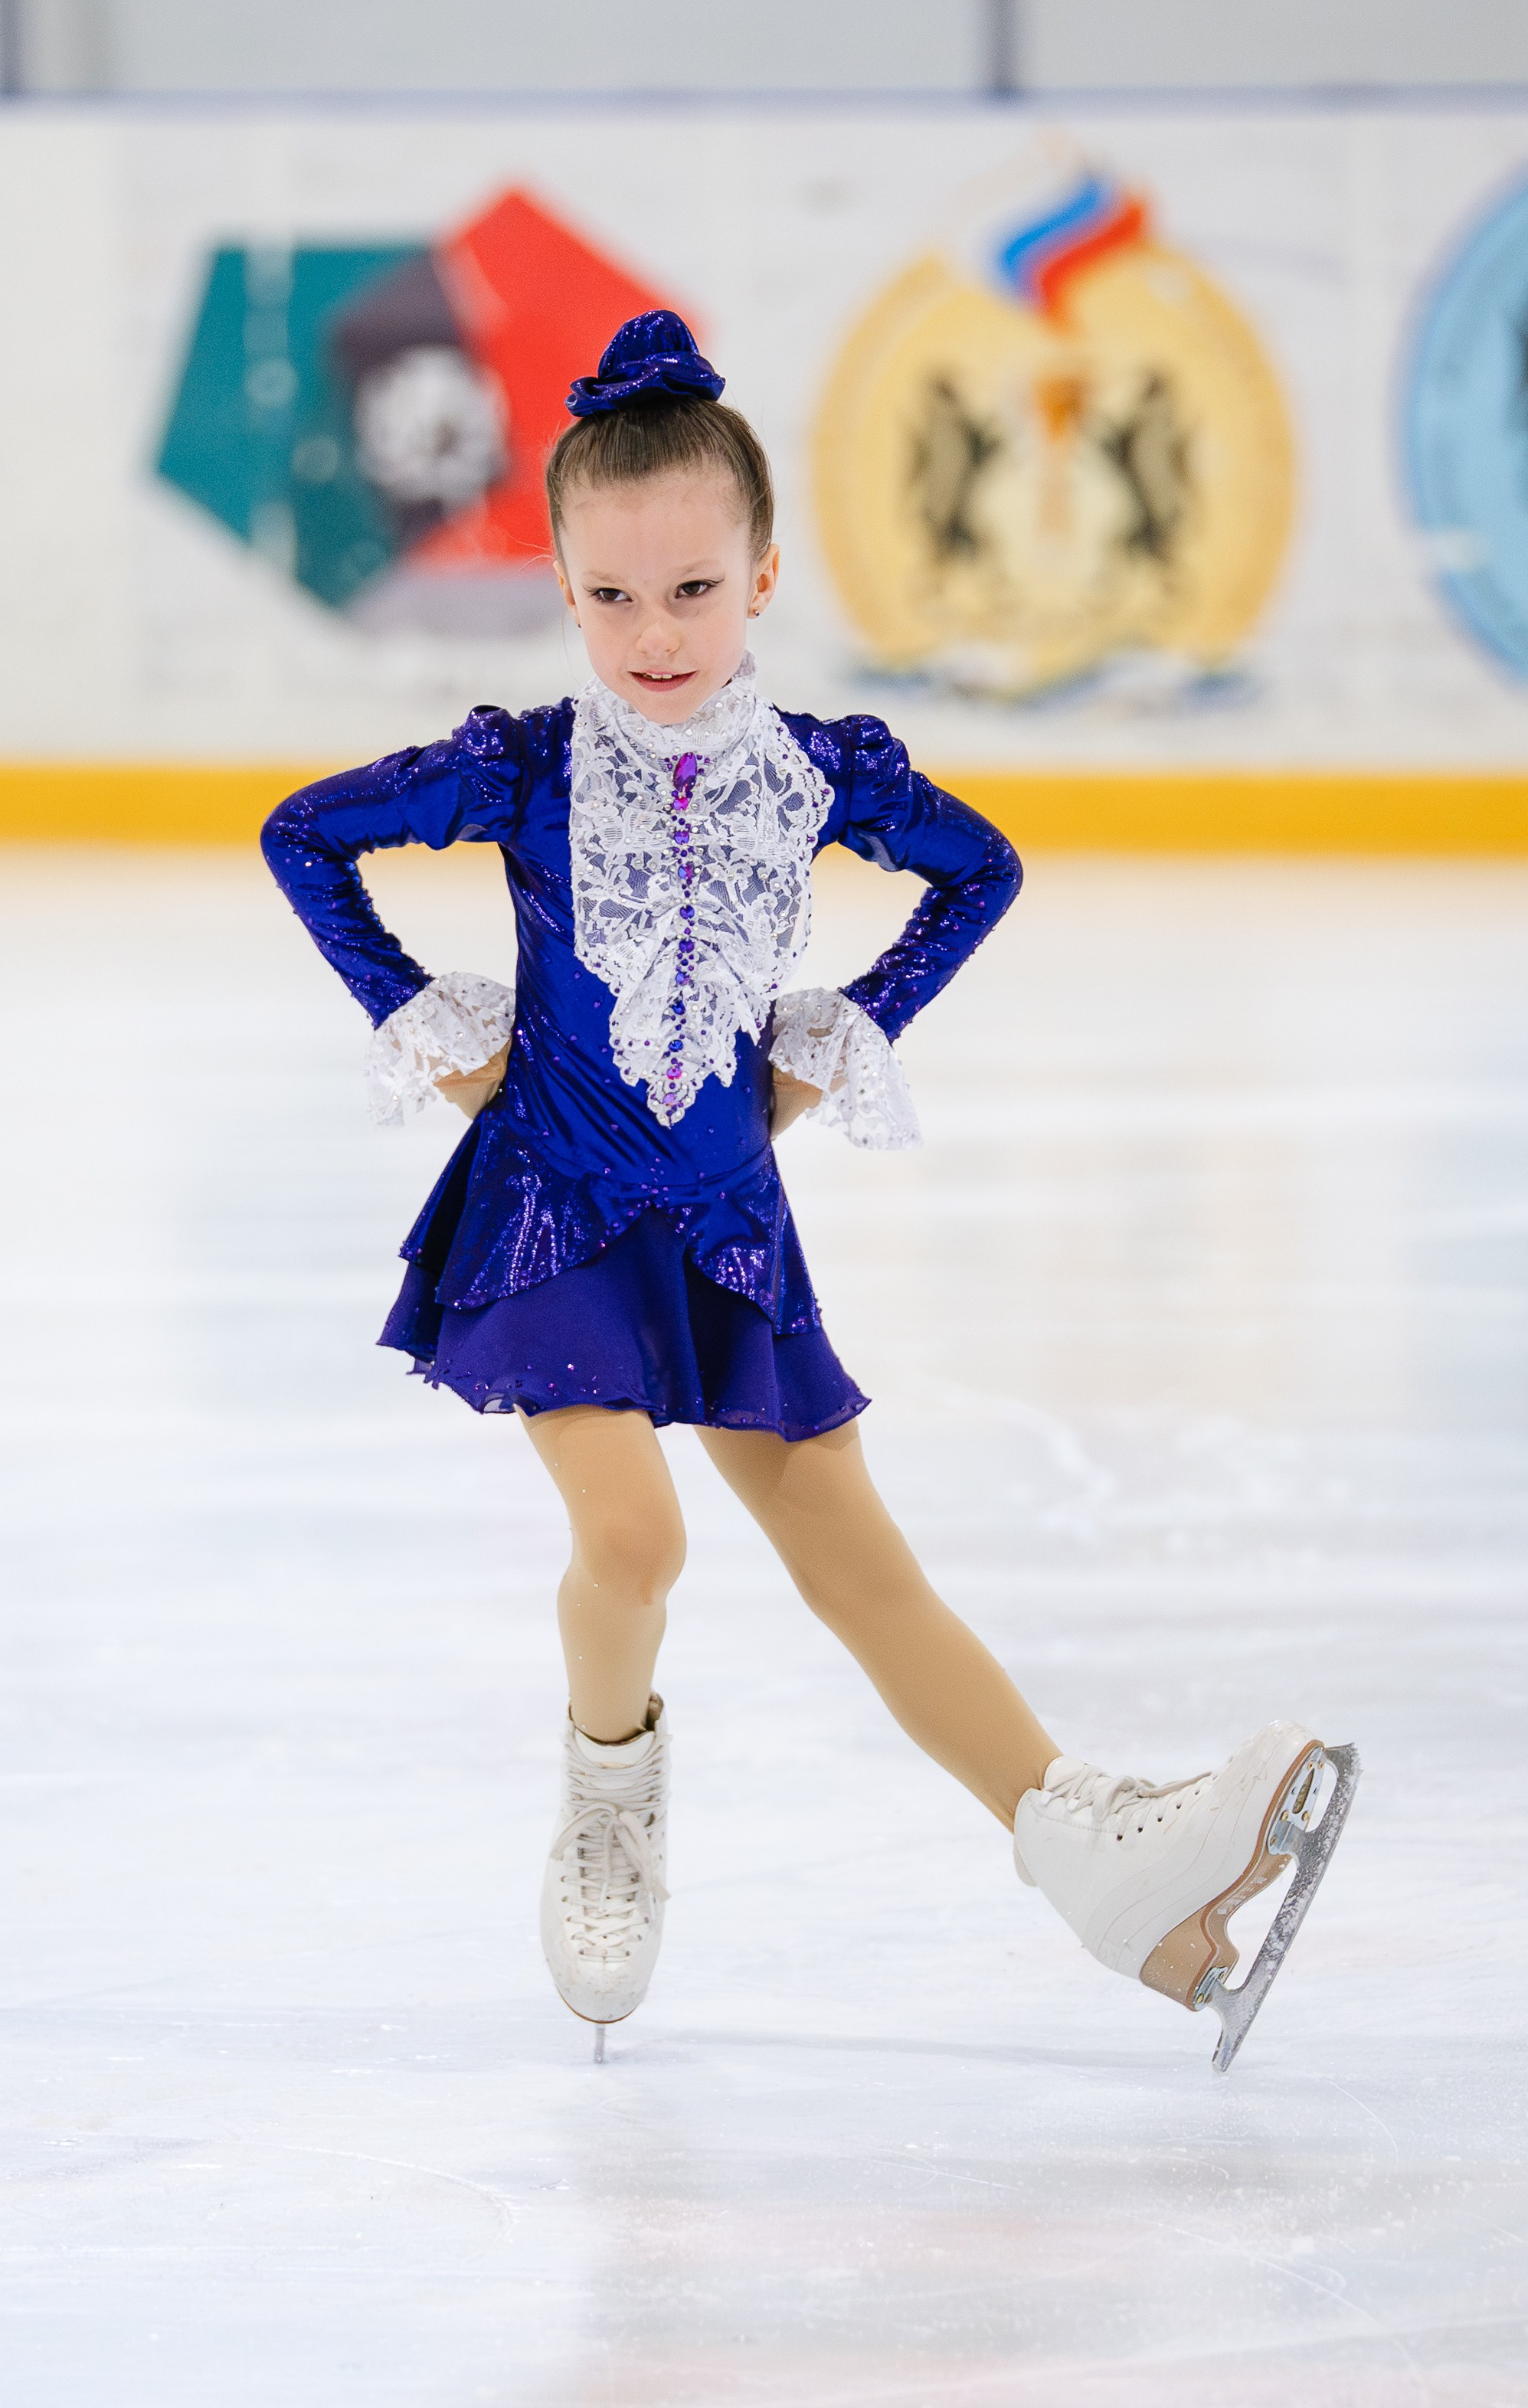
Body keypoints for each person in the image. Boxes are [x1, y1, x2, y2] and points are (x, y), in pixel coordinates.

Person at [263, 312, 1357, 2074]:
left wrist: (833, 1037)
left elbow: (979, 869)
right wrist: (432, 1022)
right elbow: (303, 834)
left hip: (725, 1226)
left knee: (868, 1570)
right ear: (559, 586)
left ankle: (1096, 1860)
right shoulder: (527, 767)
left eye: (692, 590)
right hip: (550, 1208)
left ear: (763, 572)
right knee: (636, 1532)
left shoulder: (816, 772)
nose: (654, 635)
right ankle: (608, 1802)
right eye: (610, 600)